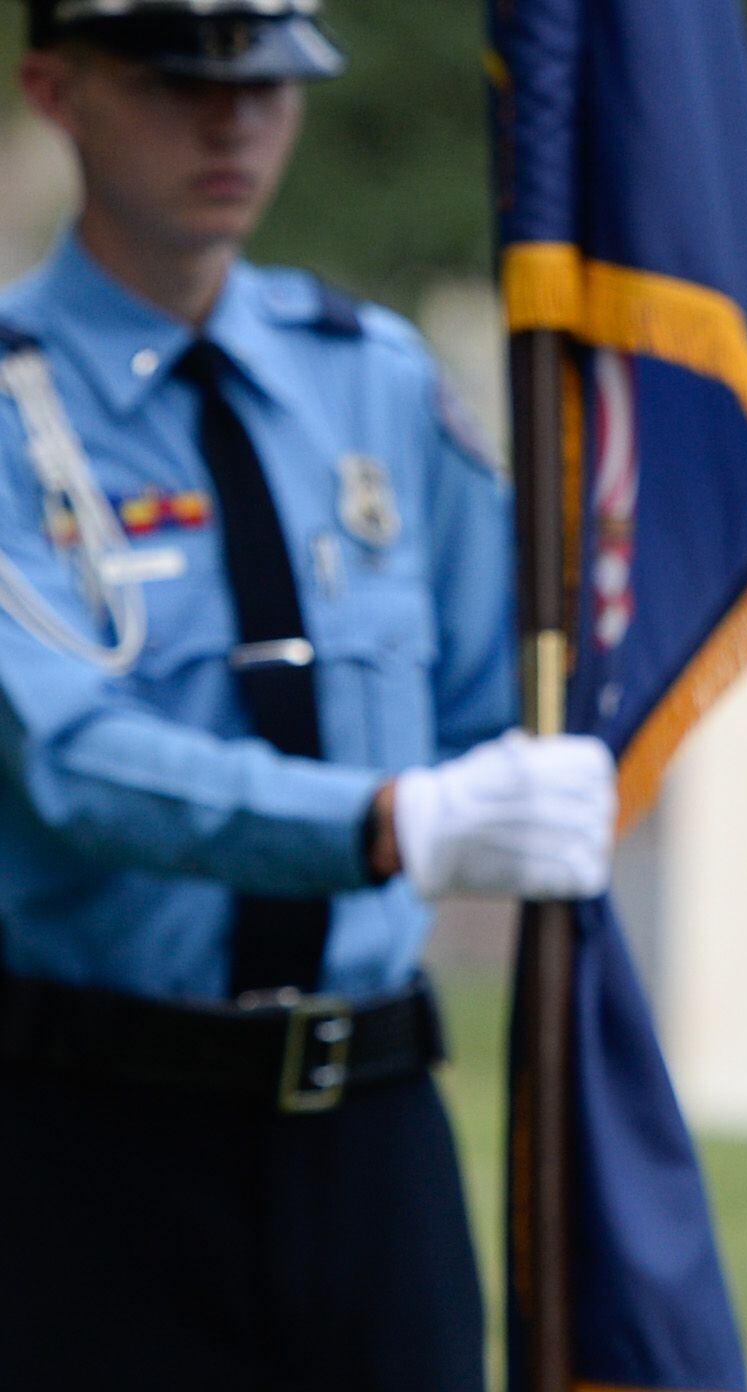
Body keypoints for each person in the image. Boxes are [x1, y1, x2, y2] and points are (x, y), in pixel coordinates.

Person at [0, 3, 613, 1387]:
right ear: (57, 87)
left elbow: (488, 699)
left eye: (271, 82)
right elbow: (74, 760)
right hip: (98, 1136)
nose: (233, 123)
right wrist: (392, 820)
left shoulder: (376, 381)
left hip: (370, 1135)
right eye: (175, 80)